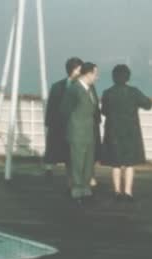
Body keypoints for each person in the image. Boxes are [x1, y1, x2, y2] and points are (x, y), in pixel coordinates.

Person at [100, 64, 152, 201]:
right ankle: (128, 192)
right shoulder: (134, 92)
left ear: (113, 77)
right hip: (131, 131)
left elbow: (104, 111)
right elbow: (148, 104)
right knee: (129, 163)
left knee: (115, 163)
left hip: (113, 131)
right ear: (128, 77)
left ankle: (117, 191)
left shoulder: (107, 92)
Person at [61, 62, 100, 205]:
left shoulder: (90, 89)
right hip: (77, 132)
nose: (97, 77)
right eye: (96, 74)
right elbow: (64, 111)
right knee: (77, 162)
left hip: (89, 131)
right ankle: (77, 190)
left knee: (88, 162)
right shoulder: (74, 90)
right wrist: (73, 126)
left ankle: (86, 188)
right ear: (88, 74)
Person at [43, 57, 83, 180]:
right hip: (59, 123)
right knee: (57, 148)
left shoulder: (78, 86)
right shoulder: (57, 87)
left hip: (73, 124)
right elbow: (51, 106)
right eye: (80, 69)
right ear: (75, 70)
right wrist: (49, 122)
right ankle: (50, 168)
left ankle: (70, 176)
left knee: (69, 152)